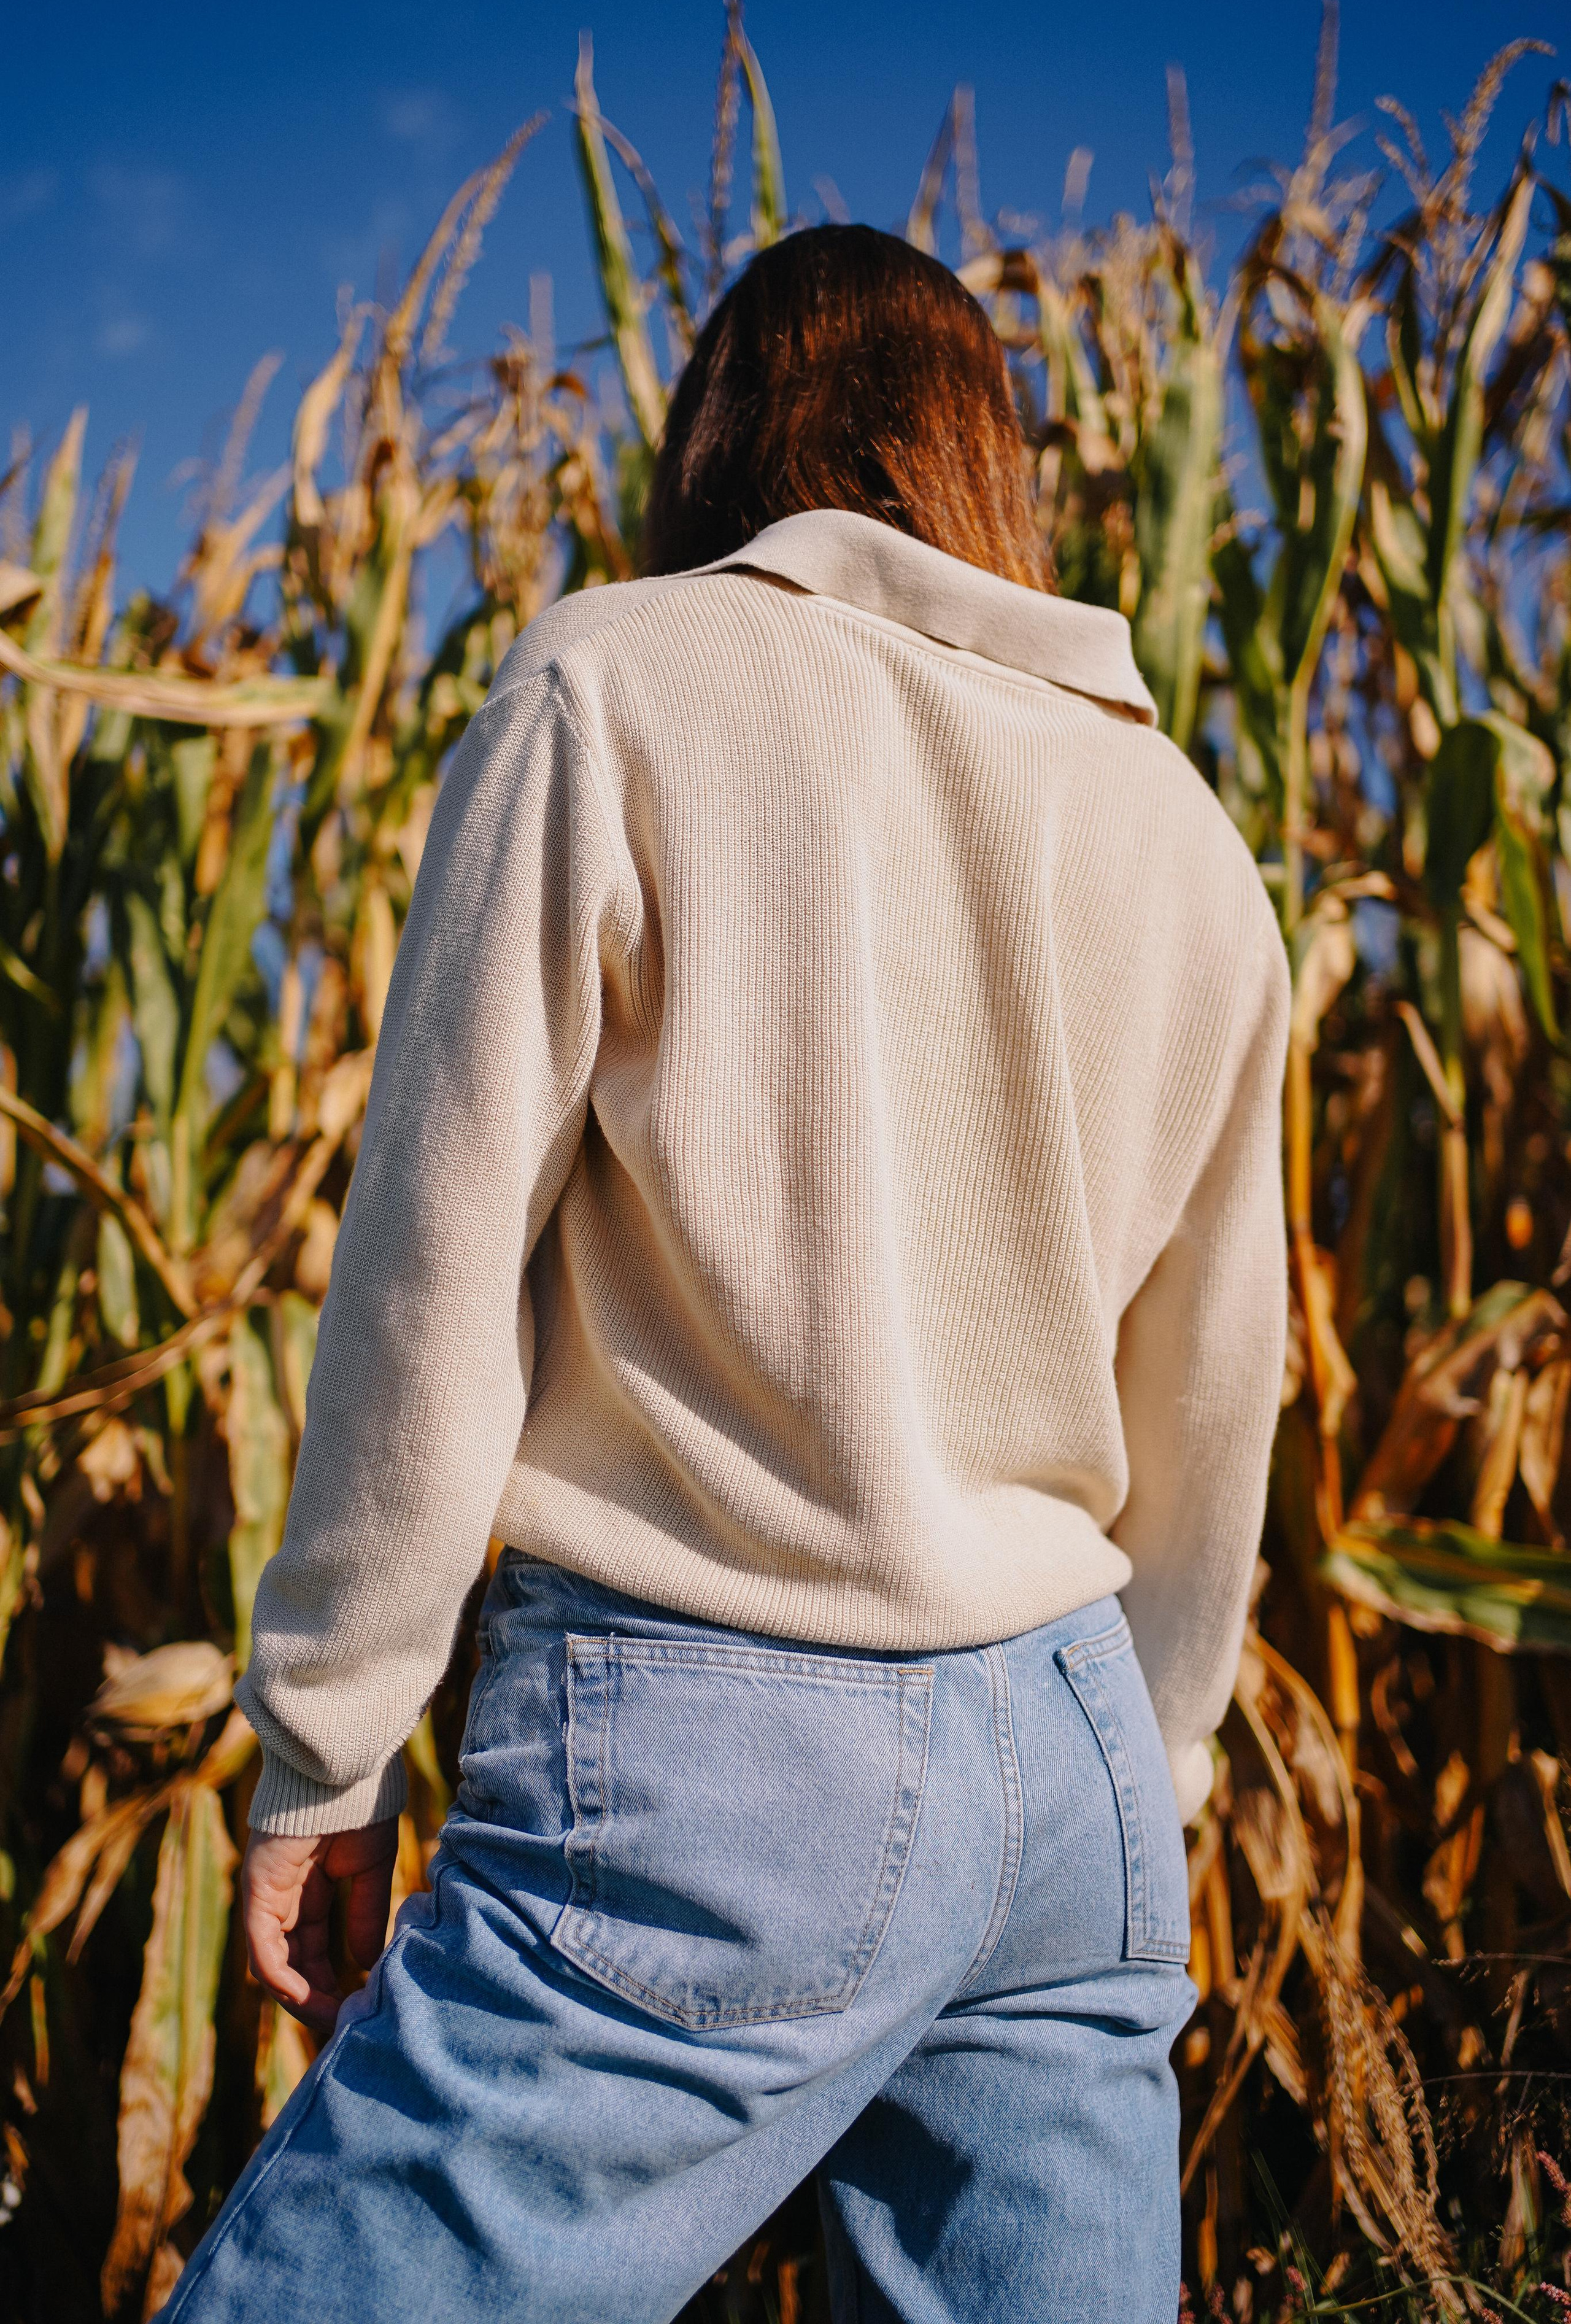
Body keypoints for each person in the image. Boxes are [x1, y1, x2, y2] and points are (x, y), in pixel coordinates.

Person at [160, 224, 1288, 2324]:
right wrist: (1162, 1780)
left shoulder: (617, 681)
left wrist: (326, 1745)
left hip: (718, 1737)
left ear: (718, 434)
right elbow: (1223, 1394)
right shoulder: (1187, 833)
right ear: (992, 458)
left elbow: (437, 1262)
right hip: (1079, 1773)